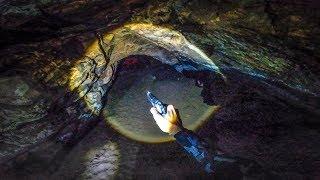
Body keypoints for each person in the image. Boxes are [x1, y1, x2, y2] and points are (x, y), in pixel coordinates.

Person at [150, 104, 215, 173]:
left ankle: (159, 112)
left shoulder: (205, 160)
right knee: (169, 109)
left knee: (167, 111)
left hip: (178, 132)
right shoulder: (209, 157)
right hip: (180, 132)